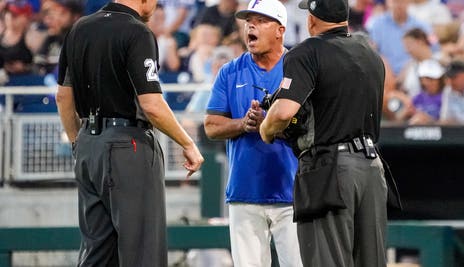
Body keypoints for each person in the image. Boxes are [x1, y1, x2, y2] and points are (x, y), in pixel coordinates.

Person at [55, 0, 204, 266]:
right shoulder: (137, 31)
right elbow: (152, 105)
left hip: (89, 146)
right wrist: (187, 142)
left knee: (97, 253)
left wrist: (80, 142)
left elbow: (63, 97)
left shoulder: (80, 28)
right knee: (142, 252)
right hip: (128, 146)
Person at [259, 0, 401, 266]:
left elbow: (283, 112)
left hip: (330, 171)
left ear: (312, 19)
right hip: (372, 168)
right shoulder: (369, 52)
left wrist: (265, 128)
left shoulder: (307, 52)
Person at [203, 0, 302, 266]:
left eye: (261, 20)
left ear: (280, 30)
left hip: (293, 192)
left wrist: (268, 124)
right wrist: (243, 124)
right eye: (249, 21)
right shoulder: (230, 71)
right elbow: (211, 126)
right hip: (245, 192)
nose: (251, 26)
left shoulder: (298, 67)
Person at [440, 60, 464, 124]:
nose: (450, 82)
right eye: (448, 78)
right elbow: (445, 120)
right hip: (459, 132)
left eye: (454, 77)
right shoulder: (448, 90)